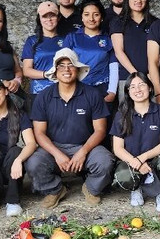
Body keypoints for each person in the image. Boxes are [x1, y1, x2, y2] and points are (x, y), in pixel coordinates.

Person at [25, 48, 114, 209]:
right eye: (61, 65)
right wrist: (57, 154)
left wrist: (83, 152)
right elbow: (39, 133)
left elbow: (100, 130)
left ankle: (91, 188)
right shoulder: (43, 96)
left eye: (71, 65)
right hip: (54, 147)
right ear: (55, 71)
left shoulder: (92, 94)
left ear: (78, 70)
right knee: (33, 163)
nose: (66, 69)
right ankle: (55, 189)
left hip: (85, 146)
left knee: (105, 161)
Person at [110, 71, 160, 212]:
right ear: (128, 92)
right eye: (132, 87)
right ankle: (136, 189)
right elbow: (118, 148)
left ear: (149, 88)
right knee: (122, 176)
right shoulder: (121, 114)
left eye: (141, 85)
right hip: (131, 161)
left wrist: (143, 158)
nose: (137, 90)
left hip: (156, 161)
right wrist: (136, 162)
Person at [0, 77, 36, 219]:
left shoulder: (19, 114)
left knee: (16, 151)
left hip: (11, 164)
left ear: (5, 91)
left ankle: (13, 201)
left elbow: (31, 143)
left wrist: (19, 160)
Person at [63, 0, 118, 104]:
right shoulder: (72, 38)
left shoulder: (108, 39)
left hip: (102, 88)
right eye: (87, 14)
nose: (91, 19)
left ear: (101, 17)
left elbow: (114, 66)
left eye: (96, 14)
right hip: (77, 87)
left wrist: (112, 91)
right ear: (82, 17)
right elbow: (63, 65)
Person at [110, 0, 155, 91]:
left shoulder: (155, 23)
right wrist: (136, 75)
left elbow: (159, 53)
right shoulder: (118, 22)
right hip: (127, 78)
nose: (138, 0)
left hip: (151, 78)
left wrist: (152, 74)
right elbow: (119, 52)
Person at [21, 2, 69, 97]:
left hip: (63, 90)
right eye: (44, 16)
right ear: (39, 19)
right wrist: (46, 74)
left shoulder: (67, 39)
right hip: (39, 91)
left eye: (52, 16)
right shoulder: (32, 41)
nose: (49, 20)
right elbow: (26, 70)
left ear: (58, 17)